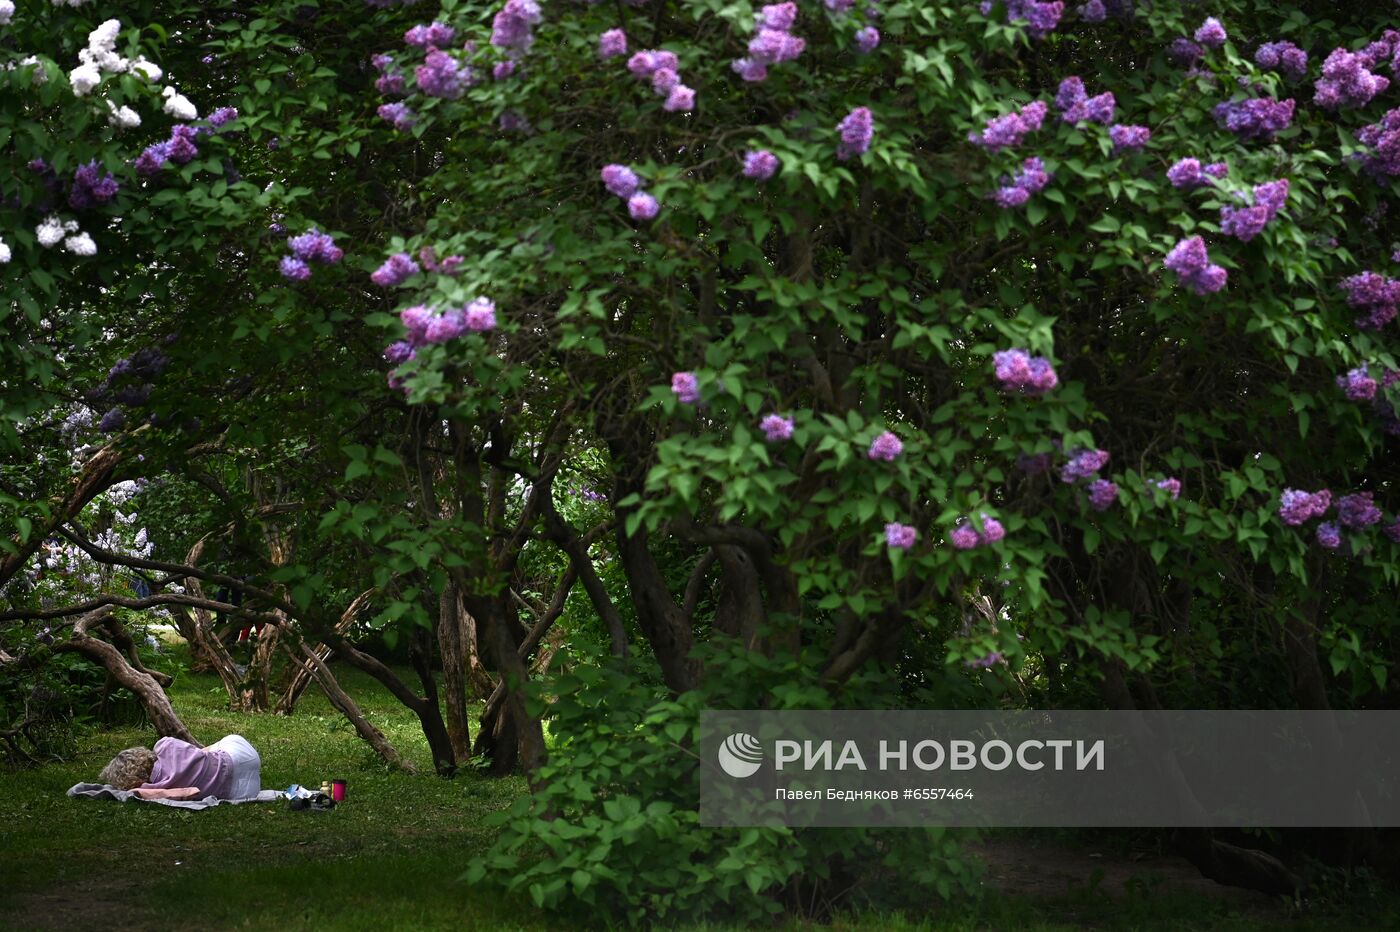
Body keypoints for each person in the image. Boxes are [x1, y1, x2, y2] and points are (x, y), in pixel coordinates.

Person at [97, 734, 261, 801]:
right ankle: (211, 759)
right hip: (243, 754)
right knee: (202, 752)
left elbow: (187, 792)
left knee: (200, 756)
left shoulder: (149, 788)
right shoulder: (164, 745)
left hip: (242, 791)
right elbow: (194, 752)